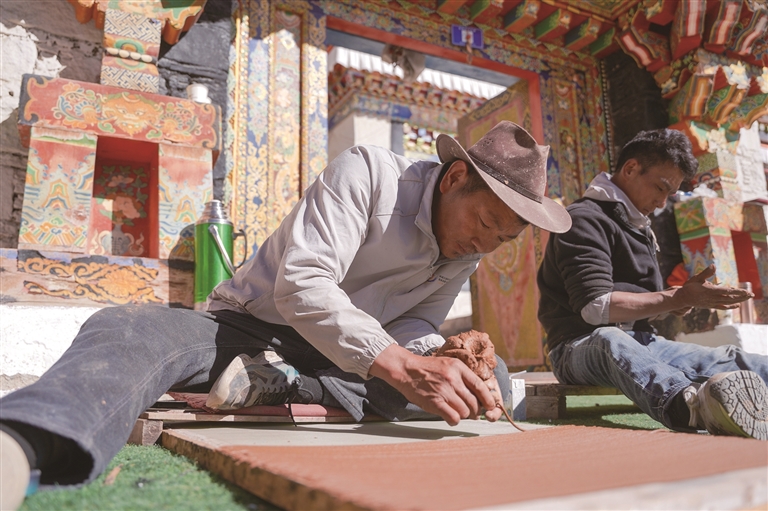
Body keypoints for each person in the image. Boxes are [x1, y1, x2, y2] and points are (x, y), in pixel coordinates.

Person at [0, 121, 571, 509]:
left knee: (489, 380)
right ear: (454, 178)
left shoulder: (467, 252)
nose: (486, 244)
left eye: (504, 237)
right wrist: (401, 363)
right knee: (131, 328)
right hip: (252, 328)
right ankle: (24, 441)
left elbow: (412, 326)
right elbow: (303, 284)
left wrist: (438, 353)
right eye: (485, 222)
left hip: (346, 358)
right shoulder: (369, 174)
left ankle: (287, 384)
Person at [537, 128, 768, 440]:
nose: (661, 203)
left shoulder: (640, 227)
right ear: (631, 168)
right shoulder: (583, 219)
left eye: (669, 194)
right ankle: (694, 407)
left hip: (644, 343)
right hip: (576, 347)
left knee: (728, 356)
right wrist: (674, 299)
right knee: (609, 339)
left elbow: (642, 305)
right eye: (660, 188)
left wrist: (679, 300)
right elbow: (595, 308)